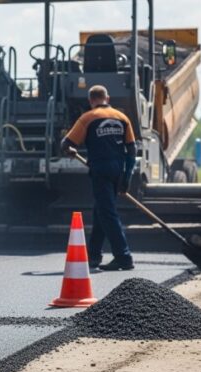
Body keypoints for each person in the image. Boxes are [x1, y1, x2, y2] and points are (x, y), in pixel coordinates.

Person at [61, 85, 136, 271]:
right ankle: (93, 256)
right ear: (107, 99)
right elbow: (132, 150)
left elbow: (65, 143)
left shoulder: (87, 118)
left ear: (90, 101)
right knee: (100, 211)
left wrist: (71, 150)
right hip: (118, 170)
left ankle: (124, 257)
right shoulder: (122, 118)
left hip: (100, 170)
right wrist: (127, 177)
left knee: (107, 213)